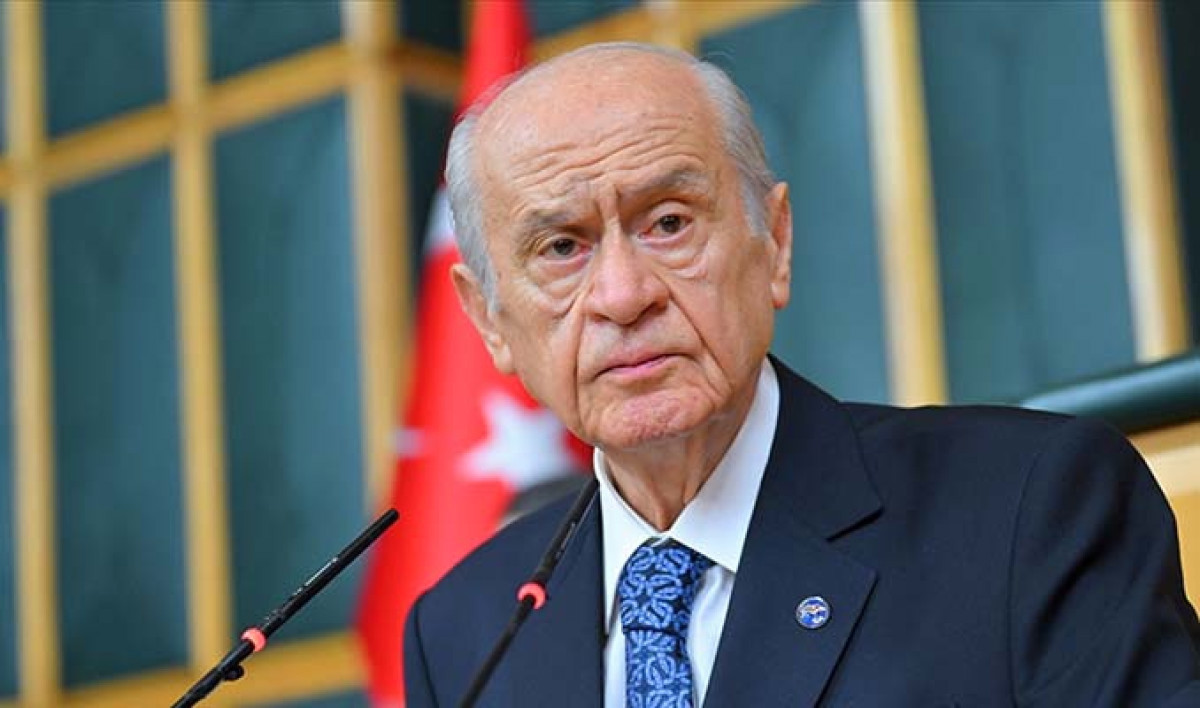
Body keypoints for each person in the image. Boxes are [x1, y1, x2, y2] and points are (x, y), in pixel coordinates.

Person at [402, 42, 1200, 706]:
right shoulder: (463, 630)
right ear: (489, 320)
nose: (623, 294)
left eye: (669, 222)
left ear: (775, 243)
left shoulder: (1031, 510)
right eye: (561, 248)